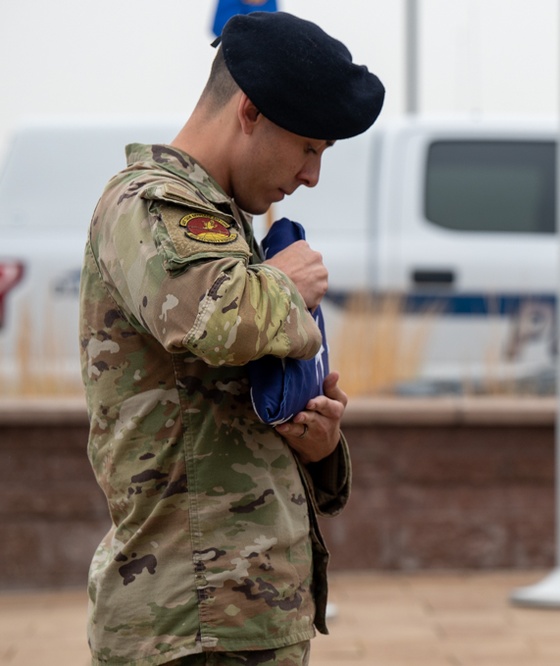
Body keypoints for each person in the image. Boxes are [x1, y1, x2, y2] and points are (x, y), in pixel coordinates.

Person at [78, 12, 384, 666]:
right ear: (250, 111)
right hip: (187, 621)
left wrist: (319, 441)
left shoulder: (222, 224)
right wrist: (284, 283)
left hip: (235, 615)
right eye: (309, 147)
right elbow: (203, 321)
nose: (311, 177)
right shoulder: (151, 204)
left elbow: (219, 412)